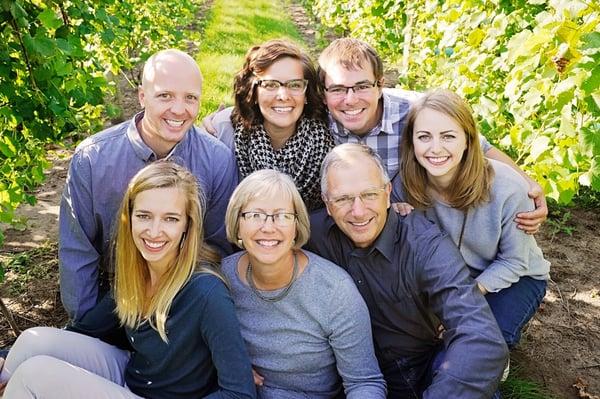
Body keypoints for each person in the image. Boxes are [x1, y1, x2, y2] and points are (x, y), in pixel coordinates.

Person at [0, 162, 256, 398]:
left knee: (35, 374)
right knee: (33, 341)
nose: (154, 231)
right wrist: (4, 357)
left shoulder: (206, 292)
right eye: (144, 216)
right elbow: (86, 331)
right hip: (132, 374)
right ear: (129, 218)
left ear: (187, 225)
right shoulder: (137, 271)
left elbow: (240, 393)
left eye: (171, 218)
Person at [308, 143, 508, 398]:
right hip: (352, 376)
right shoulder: (312, 234)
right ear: (327, 203)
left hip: (424, 368)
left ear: (388, 193)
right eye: (343, 199)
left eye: (369, 194)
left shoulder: (426, 246)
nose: (358, 211)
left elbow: (482, 338)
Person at [59, 49, 238, 322]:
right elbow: (78, 253)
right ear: (142, 96)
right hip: (112, 300)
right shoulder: (92, 159)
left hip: (182, 303)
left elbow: (219, 249)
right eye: (165, 96)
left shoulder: (217, 160)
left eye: (190, 98)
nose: (179, 109)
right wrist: (87, 326)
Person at [316, 37, 547, 233]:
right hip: (354, 219)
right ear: (324, 94)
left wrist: (530, 186)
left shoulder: (416, 111)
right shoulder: (317, 123)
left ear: (380, 86)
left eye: (362, 86)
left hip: (416, 219)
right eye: (337, 89)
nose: (350, 99)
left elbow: (480, 147)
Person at [397, 89, 549, 349]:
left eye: (448, 136)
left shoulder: (507, 187)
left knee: (480, 345)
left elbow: (514, 261)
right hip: (452, 278)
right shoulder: (406, 186)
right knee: (430, 343)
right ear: (412, 142)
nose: (435, 148)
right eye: (424, 137)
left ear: (469, 140)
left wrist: (462, 298)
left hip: (515, 277)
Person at [222, 169, 387, 398]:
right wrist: (228, 366)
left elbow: (365, 383)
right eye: (255, 215)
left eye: (282, 215)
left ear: (297, 226)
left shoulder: (334, 290)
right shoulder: (220, 279)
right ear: (237, 223)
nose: (268, 227)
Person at [205, 39, 334, 210]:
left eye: (295, 85)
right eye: (271, 85)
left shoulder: (328, 138)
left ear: (307, 94)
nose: (283, 95)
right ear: (254, 91)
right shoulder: (224, 132)